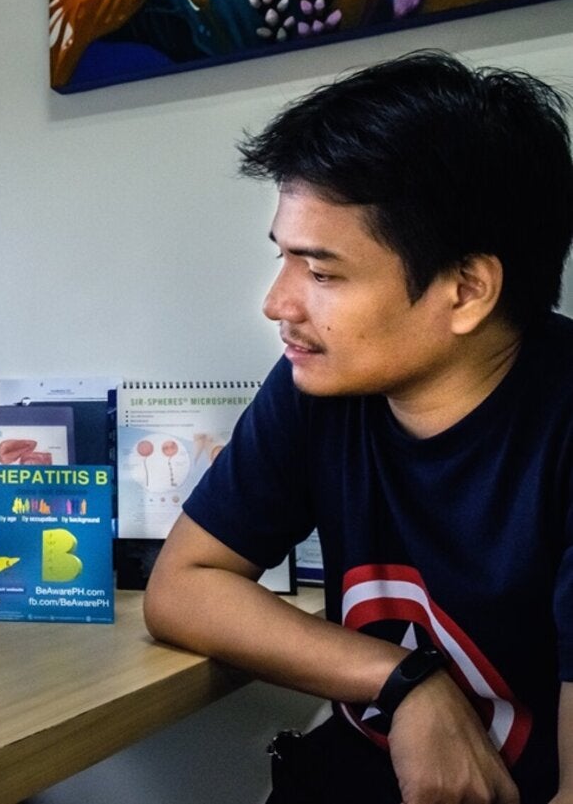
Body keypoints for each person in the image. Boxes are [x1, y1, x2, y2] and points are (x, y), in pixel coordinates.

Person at [143, 50, 573, 804]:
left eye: (321, 272)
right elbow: (181, 586)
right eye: (284, 259)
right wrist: (403, 679)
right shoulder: (321, 385)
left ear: (466, 290)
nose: (277, 304)